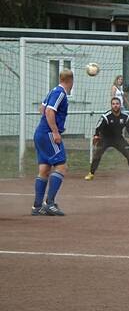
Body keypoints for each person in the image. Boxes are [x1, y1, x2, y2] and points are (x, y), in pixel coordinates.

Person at [31, 69, 74, 216]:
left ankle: (37, 207)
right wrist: (55, 131)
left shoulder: (52, 90)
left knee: (44, 169)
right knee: (61, 167)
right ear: (71, 81)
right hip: (49, 134)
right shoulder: (60, 93)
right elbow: (49, 112)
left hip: (40, 133)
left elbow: (41, 108)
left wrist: (58, 124)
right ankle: (49, 203)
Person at [85, 98, 129, 181]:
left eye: (117, 104)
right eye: (113, 104)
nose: (115, 105)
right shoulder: (106, 116)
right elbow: (98, 127)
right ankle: (91, 173)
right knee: (97, 155)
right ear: (111, 105)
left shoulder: (125, 116)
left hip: (118, 138)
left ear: (120, 105)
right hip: (105, 138)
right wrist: (96, 136)